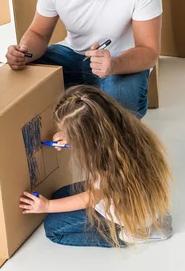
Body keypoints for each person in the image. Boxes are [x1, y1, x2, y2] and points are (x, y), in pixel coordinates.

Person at [6, 0, 162, 118]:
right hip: (72, 54)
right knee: (17, 78)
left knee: (120, 103)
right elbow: (38, 33)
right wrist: (24, 53)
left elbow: (149, 51)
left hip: (120, 61)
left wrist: (113, 65)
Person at [19, 85, 172, 247]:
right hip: (135, 198)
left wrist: (47, 206)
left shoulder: (109, 165)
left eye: (69, 133)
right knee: (59, 194)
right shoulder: (121, 128)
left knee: (53, 228)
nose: (62, 134)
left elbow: (90, 198)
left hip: (130, 213)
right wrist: (68, 137)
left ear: (86, 136)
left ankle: (129, 235)